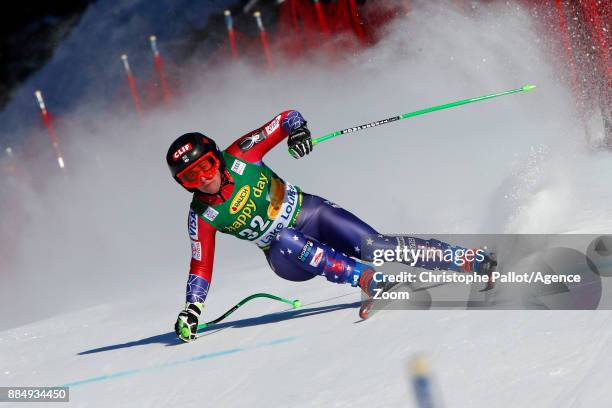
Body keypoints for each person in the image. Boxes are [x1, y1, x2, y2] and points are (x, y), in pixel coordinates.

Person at [167, 110, 496, 342]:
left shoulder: (243, 154)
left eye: (206, 166)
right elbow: (200, 265)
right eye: (191, 177)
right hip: (286, 257)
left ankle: (462, 258)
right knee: (284, 238)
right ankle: (369, 281)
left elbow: (286, 118)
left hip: (312, 213)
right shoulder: (201, 215)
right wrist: (192, 310)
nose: (205, 178)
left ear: (217, 158)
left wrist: (298, 132)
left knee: (377, 246)